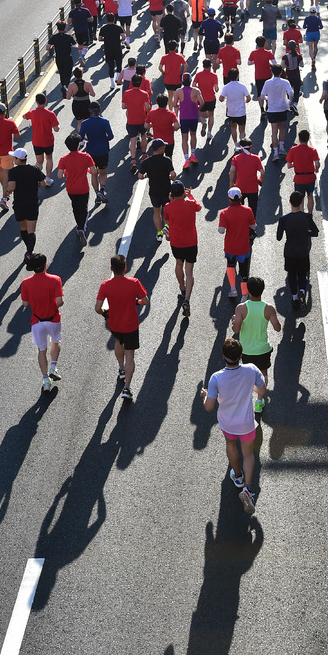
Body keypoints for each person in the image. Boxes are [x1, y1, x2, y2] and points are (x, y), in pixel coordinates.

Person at [201, 337, 267, 514]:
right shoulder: (251, 370)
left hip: (228, 423)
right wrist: (253, 389)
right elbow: (262, 389)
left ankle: (237, 476)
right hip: (246, 423)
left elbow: (208, 407)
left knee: (231, 445)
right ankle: (247, 488)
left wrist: (204, 395)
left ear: (223, 357)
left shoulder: (216, 378)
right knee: (248, 453)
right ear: (241, 355)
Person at [95, 254, 149, 402]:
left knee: (118, 342)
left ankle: (120, 368)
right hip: (130, 325)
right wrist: (136, 302)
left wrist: (105, 313)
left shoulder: (105, 285)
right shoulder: (134, 283)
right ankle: (127, 388)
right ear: (125, 268)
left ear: (111, 269)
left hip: (114, 324)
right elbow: (145, 300)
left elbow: (97, 308)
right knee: (130, 356)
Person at [231, 276, 282, 413]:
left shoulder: (241, 308)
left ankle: (246, 401)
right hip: (263, 349)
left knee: (247, 376)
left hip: (246, 350)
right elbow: (277, 328)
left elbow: (236, 330)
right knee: (263, 374)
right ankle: (259, 401)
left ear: (248, 290)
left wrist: (235, 321)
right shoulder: (269, 308)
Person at [20, 253, 64, 393]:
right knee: (55, 342)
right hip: (53, 319)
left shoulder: (26, 282)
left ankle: (46, 380)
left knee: (41, 351)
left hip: (37, 321)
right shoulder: (55, 279)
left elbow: (25, 304)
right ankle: (53, 367)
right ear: (45, 265)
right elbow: (60, 301)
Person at [163, 180, 201, 316]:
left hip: (176, 243)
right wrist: (190, 196)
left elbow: (167, 220)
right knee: (189, 271)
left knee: (179, 263)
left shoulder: (168, 206)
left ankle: (182, 287)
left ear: (172, 194)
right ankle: (187, 299)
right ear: (183, 192)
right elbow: (199, 207)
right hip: (191, 241)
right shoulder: (190, 204)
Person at [276, 190, 319, 308]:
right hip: (303, 251)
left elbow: (279, 238)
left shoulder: (284, 219)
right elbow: (315, 232)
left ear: (289, 202)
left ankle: (294, 297)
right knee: (302, 274)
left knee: (291, 274)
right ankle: (302, 292)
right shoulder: (306, 217)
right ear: (301, 203)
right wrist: (305, 232)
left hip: (290, 251)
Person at [57, 132, 96, 247]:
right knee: (84, 208)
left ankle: (79, 224)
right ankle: (81, 228)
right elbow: (93, 171)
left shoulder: (63, 159)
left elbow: (60, 176)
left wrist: (66, 172)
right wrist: (86, 170)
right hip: (83, 187)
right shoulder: (86, 156)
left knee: (75, 206)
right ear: (78, 145)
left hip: (71, 188)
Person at [7, 148, 46, 262]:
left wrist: (8, 191)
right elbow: (43, 184)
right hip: (32, 203)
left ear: (18, 159)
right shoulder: (34, 169)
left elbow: (11, 188)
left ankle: (29, 250)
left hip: (19, 203)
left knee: (23, 228)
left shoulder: (13, 172)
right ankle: (30, 252)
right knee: (31, 230)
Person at [218, 187, 256, 300]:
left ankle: (233, 289)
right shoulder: (248, 210)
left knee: (230, 266)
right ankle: (244, 295)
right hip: (243, 246)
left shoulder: (224, 213)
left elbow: (221, 230)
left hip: (230, 246)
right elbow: (253, 226)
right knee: (244, 271)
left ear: (229, 199)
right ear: (240, 197)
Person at [137, 137, 176, 241]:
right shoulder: (166, 160)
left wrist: (147, 176)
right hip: (166, 190)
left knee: (156, 212)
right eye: (163, 147)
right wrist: (171, 178)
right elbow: (173, 175)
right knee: (167, 211)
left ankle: (159, 233)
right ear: (159, 149)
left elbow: (140, 176)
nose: (164, 148)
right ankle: (167, 227)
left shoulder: (146, 161)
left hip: (154, 191)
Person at [78, 102, 113, 203]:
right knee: (103, 173)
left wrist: (87, 137)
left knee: (94, 174)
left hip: (91, 152)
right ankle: (102, 190)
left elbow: (81, 137)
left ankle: (97, 193)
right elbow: (110, 136)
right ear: (99, 110)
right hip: (103, 151)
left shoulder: (85, 123)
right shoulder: (105, 122)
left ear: (89, 110)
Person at [23, 92, 59, 185]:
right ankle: (48, 179)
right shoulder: (51, 114)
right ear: (46, 101)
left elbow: (24, 116)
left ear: (36, 102)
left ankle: (35, 178)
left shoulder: (32, 113)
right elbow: (56, 129)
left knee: (39, 161)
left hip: (37, 141)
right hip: (48, 141)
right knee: (49, 159)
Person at [261, 63, 293, 161]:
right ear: (281, 72)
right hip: (282, 108)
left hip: (272, 109)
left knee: (274, 131)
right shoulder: (285, 82)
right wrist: (290, 102)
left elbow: (262, 95)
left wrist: (267, 98)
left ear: (271, 72)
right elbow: (291, 93)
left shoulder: (267, 83)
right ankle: (282, 148)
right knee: (282, 128)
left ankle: (275, 152)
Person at [285, 129, 320, 215]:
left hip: (299, 178)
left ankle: (301, 214)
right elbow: (317, 164)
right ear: (308, 139)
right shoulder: (312, 150)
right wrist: (316, 169)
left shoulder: (293, 150)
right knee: (310, 195)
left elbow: (289, 165)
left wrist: (295, 164)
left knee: (300, 198)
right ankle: (310, 214)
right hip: (310, 177)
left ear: (299, 139)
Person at [122, 73, 152, 173]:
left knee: (133, 140)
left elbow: (123, 106)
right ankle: (143, 154)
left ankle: (133, 160)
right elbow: (147, 107)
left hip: (131, 120)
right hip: (141, 119)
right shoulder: (144, 94)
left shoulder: (126, 93)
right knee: (143, 136)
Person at [229, 138, 264, 216]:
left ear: (241, 147)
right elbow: (262, 172)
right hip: (253, 189)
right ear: (250, 147)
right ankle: (252, 225)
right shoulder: (256, 158)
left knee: (238, 209)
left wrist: (231, 183)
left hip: (240, 188)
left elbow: (232, 170)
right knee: (253, 210)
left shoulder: (236, 158)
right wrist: (260, 180)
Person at [220, 67, 252, 150]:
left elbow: (220, 98)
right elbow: (248, 98)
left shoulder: (226, 87)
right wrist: (244, 101)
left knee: (233, 128)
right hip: (241, 112)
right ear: (237, 76)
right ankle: (242, 146)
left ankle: (236, 145)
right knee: (242, 130)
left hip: (231, 112)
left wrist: (226, 98)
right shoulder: (242, 86)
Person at [46, 20, 76, 98]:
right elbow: (75, 45)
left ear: (57, 28)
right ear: (65, 28)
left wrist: (53, 46)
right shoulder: (68, 37)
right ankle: (65, 86)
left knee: (62, 74)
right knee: (68, 74)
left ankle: (63, 86)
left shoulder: (54, 37)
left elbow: (47, 47)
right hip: (68, 57)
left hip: (59, 58)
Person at [99, 13, 124, 85]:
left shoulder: (103, 28)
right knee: (119, 64)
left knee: (110, 66)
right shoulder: (118, 28)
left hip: (108, 49)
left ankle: (112, 83)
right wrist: (119, 40)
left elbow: (100, 39)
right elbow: (123, 37)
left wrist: (105, 40)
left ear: (106, 19)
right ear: (114, 19)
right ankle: (118, 78)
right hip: (117, 48)